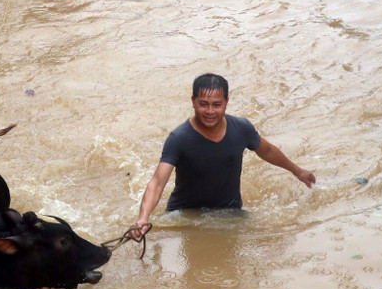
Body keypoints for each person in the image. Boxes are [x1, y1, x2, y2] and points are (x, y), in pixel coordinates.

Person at [130, 74, 316, 237]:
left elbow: (267, 151)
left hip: (230, 214)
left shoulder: (242, 128)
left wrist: (297, 171)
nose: (210, 111)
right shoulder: (179, 138)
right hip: (186, 216)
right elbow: (157, 183)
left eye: (217, 105)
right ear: (193, 101)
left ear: (226, 102)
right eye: (203, 104)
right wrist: (143, 218)